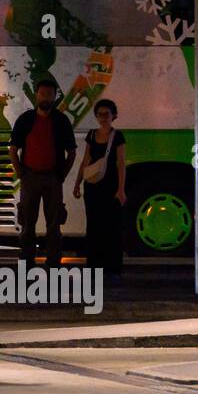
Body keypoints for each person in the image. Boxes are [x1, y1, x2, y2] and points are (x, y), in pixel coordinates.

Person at [9, 79, 79, 265]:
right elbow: (13, 149)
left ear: (55, 97)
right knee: (27, 225)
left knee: (54, 226)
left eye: (49, 94)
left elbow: (72, 152)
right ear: (36, 95)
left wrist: (62, 175)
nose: (46, 97)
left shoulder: (61, 120)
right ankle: (26, 263)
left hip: (53, 179)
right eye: (42, 94)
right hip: (30, 177)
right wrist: (21, 174)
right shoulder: (25, 119)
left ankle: (54, 263)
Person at [72, 99, 128, 279]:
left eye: (107, 114)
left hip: (110, 187)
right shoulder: (91, 135)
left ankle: (111, 267)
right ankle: (95, 265)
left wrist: (121, 189)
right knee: (94, 225)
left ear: (113, 116)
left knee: (111, 226)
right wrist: (77, 182)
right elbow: (85, 160)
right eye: (100, 114)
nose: (103, 118)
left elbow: (121, 164)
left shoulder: (117, 136)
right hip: (93, 186)